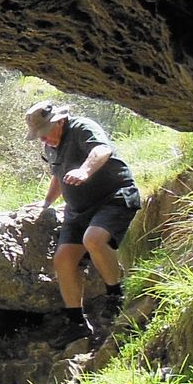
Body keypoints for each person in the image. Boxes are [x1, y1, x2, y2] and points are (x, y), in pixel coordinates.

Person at [25, 101, 141, 341]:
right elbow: (58, 177)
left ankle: (116, 296)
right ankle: (77, 323)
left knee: (94, 239)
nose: (43, 140)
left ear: (59, 121)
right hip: (78, 211)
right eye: (39, 136)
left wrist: (85, 171)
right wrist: (45, 203)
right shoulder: (51, 147)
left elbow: (101, 150)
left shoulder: (82, 128)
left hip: (113, 197)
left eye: (45, 133)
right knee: (63, 259)